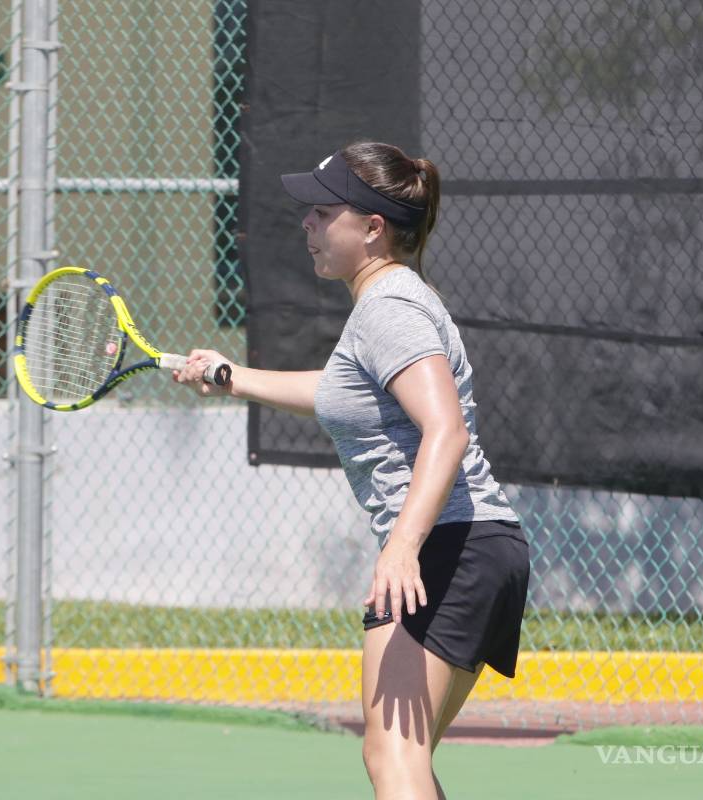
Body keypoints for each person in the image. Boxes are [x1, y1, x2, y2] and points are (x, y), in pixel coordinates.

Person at [173, 141, 530, 800]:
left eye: (323, 211)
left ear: (372, 228)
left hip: (448, 547)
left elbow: (446, 430)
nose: (306, 223)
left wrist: (403, 546)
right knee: (402, 756)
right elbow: (343, 391)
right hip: (478, 545)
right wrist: (231, 376)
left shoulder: (389, 308)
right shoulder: (389, 303)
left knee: (393, 758)